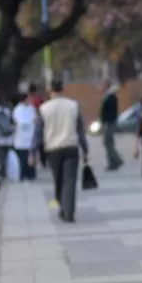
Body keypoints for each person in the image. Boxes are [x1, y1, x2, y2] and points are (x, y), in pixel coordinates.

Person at [34, 80, 89, 223]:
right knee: (70, 181)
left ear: (50, 90)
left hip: (53, 149)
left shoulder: (43, 109)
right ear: (62, 89)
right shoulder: (73, 106)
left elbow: (38, 133)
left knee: (58, 180)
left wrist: (32, 152)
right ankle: (69, 211)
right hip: (71, 146)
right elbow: (80, 130)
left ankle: (63, 207)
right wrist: (85, 149)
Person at [12, 87, 39, 181]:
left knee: (32, 158)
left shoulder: (31, 108)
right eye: (28, 98)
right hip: (22, 139)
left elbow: (35, 118)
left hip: (31, 137)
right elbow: (21, 122)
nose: (30, 100)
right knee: (23, 159)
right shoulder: (17, 109)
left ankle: (32, 175)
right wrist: (32, 120)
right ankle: (23, 175)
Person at [99, 81, 123, 171]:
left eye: (103, 85)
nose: (101, 87)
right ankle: (112, 162)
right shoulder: (108, 96)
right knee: (108, 143)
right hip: (108, 122)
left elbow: (111, 112)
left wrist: (107, 121)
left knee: (107, 142)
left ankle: (117, 160)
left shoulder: (111, 97)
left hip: (109, 123)